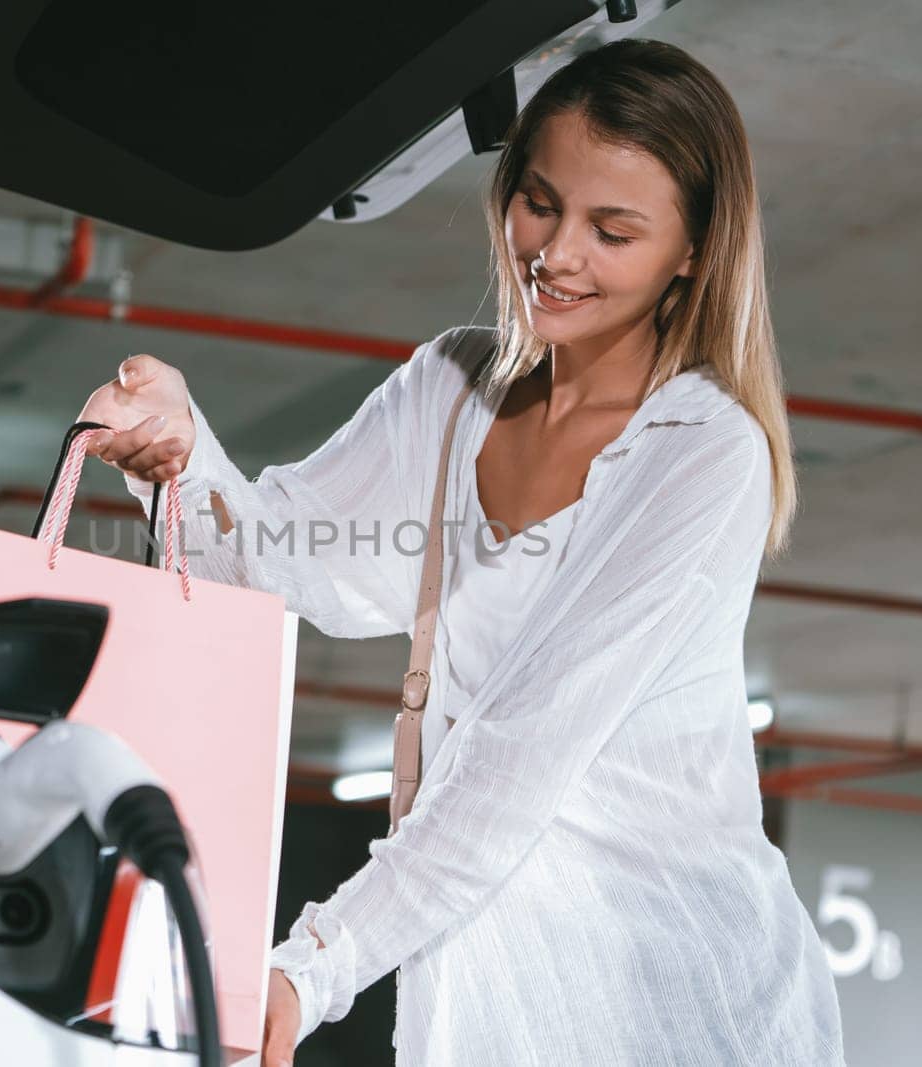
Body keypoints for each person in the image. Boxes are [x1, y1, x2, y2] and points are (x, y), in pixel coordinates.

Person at [78, 37, 844, 1067]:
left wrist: (314, 963)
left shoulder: (703, 455)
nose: (556, 253)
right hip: (486, 1007)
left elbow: (516, 752)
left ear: (693, 252)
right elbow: (265, 568)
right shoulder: (449, 390)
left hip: (678, 1008)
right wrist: (176, 451)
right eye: (538, 202)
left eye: (612, 231)